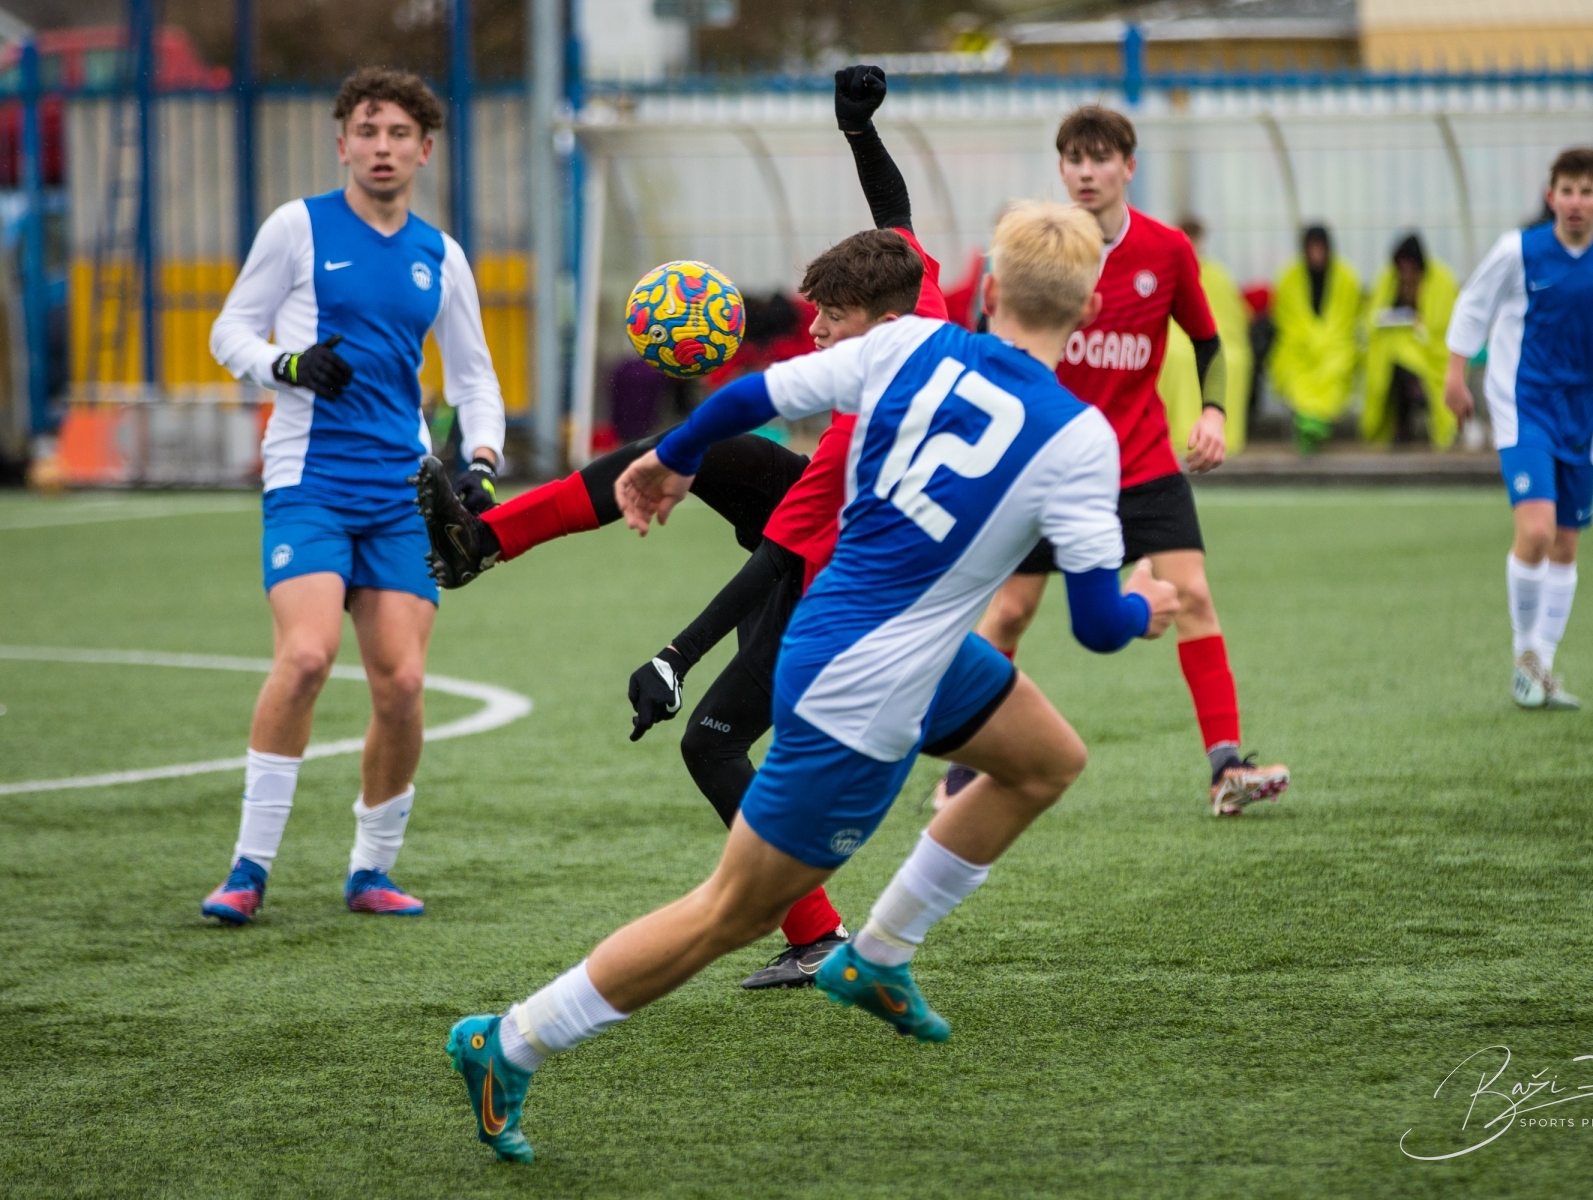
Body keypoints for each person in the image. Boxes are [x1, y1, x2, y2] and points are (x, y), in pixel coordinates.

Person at [443, 200, 1181, 1164]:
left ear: (990, 291)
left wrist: (670, 461)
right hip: (860, 684)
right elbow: (1097, 626)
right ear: (1087, 312)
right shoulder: (1081, 438)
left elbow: (744, 400)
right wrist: (1145, 604)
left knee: (1045, 759)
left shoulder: (909, 345)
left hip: (891, 646)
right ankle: (509, 1041)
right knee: (732, 912)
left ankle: (879, 955)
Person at [417, 65, 955, 988]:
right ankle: (485, 539)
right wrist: (858, 129)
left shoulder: (858, 436)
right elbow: (895, 217)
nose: (815, 332)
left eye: (832, 318)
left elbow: (779, 559)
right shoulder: (921, 305)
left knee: (710, 741)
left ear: (881, 322)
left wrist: (675, 657)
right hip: (855, 551)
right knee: (685, 448)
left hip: (853, 587)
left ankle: (820, 937)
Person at [199, 68, 505, 924]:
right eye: (367, 131)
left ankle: (371, 871)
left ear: (425, 150)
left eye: (399, 133)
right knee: (305, 657)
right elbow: (229, 330)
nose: (382, 147)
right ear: (342, 144)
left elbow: (475, 378)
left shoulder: (441, 255)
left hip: (403, 491)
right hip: (310, 481)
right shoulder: (297, 227)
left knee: (401, 684)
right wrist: (285, 364)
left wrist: (481, 460)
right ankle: (248, 868)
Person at [946, 105, 1288, 818]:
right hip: (1044, 468)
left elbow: (1207, 342)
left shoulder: (1166, 251)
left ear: (1129, 167)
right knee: (1010, 611)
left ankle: (1227, 767)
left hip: (1141, 464)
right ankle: (961, 769)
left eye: (1100, 158)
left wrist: (1214, 413)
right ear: (1060, 168)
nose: (1086, 172)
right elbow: (988, 341)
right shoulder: (1036, 252)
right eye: (1073, 159)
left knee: (1193, 596)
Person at [1444, 146, 1593, 711]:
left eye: (1586, 192)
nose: (1575, 202)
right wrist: (1455, 375)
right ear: (1551, 197)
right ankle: (1524, 653)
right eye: (1566, 191)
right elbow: (1473, 305)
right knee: (1537, 530)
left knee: (1566, 544)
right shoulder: (1519, 251)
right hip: (1524, 408)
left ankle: (1540, 662)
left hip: (1585, 414)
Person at [1157, 216, 1253, 456]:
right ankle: (1182, 433)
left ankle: (1216, 434)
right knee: (1177, 357)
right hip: (1178, 336)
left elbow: (1231, 316)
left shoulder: (1217, 275)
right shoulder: (1166, 270)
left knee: (1231, 358)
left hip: (1211, 336)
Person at [1270, 225, 1362, 453]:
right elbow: (1284, 318)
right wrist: (1311, 339)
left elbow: (1348, 320)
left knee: (1335, 368)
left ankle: (1313, 424)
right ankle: (1310, 423)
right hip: (1298, 347)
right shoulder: (1289, 278)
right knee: (1296, 372)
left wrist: (1323, 341)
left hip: (1335, 347)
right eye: (1312, 249)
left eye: (1320, 249)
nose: (1316, 255)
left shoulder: (1346, 278)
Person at [1362, 233, 1459, 449]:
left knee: (1412, 371)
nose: (1405, 272)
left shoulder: (1440, 281)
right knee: (1394, 370)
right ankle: (1400, 425)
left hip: (1429, 352)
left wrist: (1418, 329)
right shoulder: (1388, 280)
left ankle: (1414, 414)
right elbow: (1373, 318)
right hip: (1395, 355)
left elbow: (1440, 328)